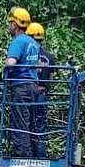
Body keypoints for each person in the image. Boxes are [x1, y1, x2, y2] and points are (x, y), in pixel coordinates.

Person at [4, 7, 41, 158]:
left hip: (21, 87)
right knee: (30, 124)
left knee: (20, 125)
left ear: (15, 24)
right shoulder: (33, 43)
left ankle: (22, 160)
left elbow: (11, 63)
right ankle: (31, 155)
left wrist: (6, 71)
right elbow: (38, 68)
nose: (8, 26)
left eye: (10, 23)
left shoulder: (18, 41)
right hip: (33, 87)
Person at [26, 22, 55, 159]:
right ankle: (41, 158)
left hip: (29, 93)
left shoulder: (28, 54)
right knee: (40, 126)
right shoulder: (50, 57)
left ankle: (28, 156)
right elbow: (51, 78)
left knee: (26, 125)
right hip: (42, 93)